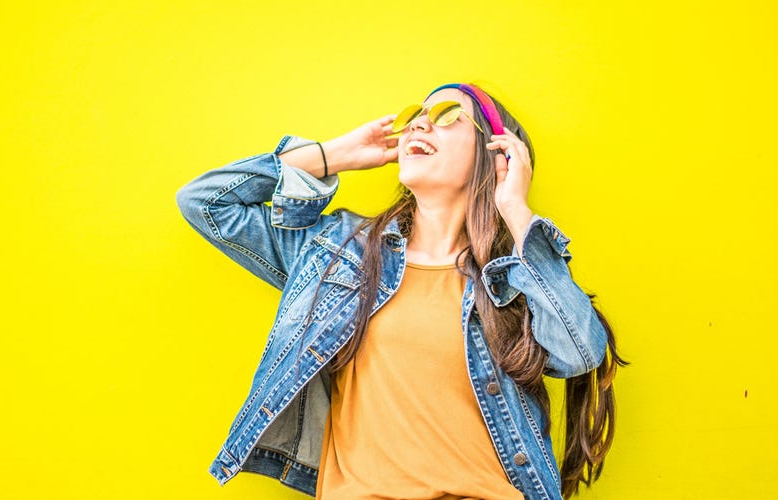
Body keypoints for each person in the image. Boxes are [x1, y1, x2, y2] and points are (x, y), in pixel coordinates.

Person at [176, 82, 626, 500]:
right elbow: (205, 202)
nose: (419, 123)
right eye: (416, 115)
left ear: (498, 152)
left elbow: (580, 352)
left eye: (449, 115)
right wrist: (333, 155)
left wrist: (516, 209)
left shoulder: (511, 278)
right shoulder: (337, 252)